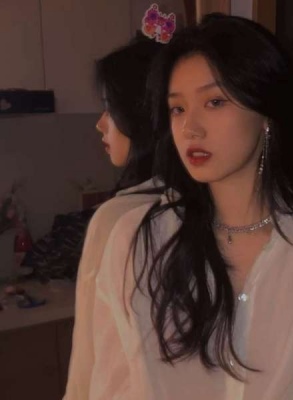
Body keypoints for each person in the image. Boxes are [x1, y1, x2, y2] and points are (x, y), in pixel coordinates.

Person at [87, 14, 293, 399]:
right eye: (177, 109)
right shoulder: (138, 241)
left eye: (214, 102)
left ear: (266, 112)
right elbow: (111, 383)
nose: (190, 128)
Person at [63, 36, 163, 400]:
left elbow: (89, 359)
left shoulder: (117, 217)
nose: (100, 124)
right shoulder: (205, 202)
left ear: (141, 114)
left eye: (110, 108)